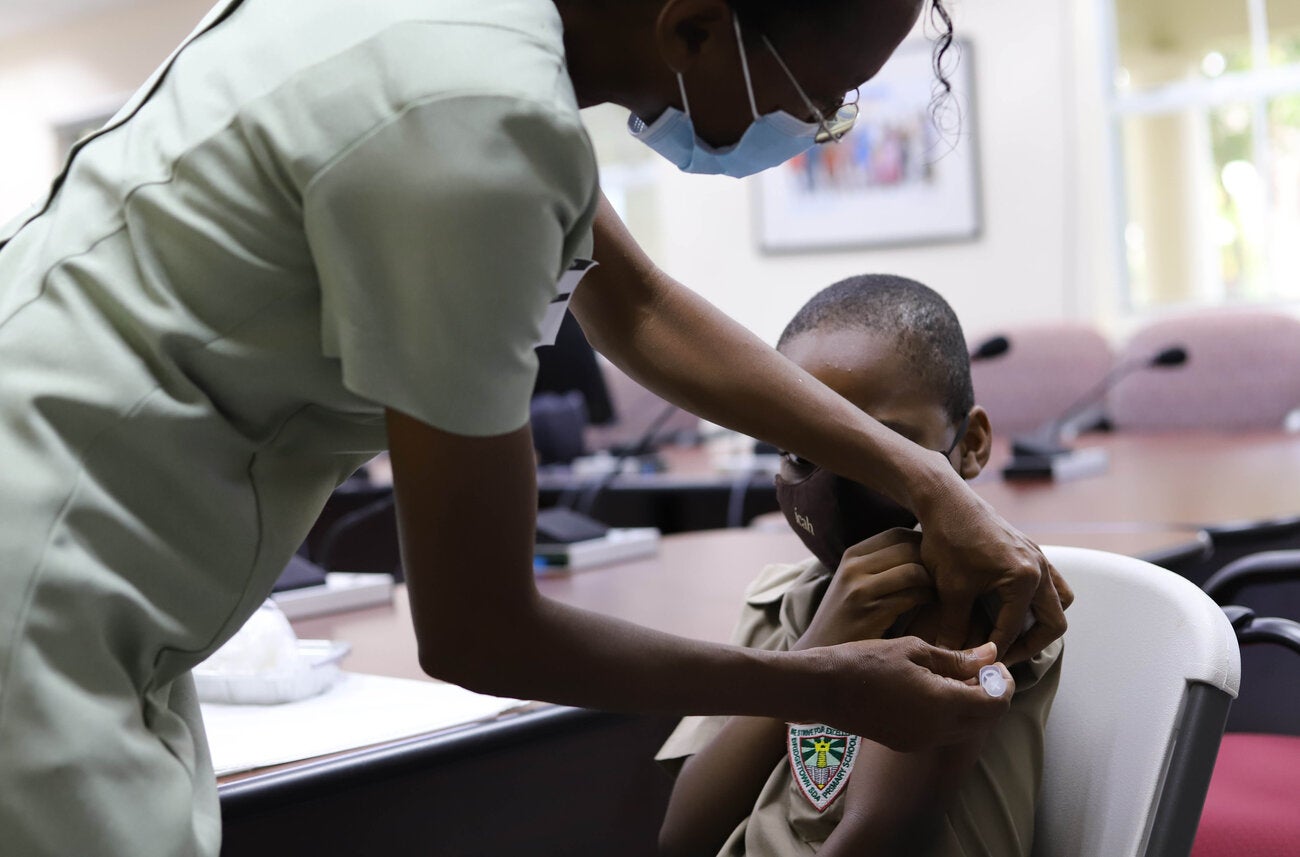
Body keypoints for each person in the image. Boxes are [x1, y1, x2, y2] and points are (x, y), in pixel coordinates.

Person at [0, 1, 1070, 854]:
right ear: (694, 27)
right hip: (38, 595)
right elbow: (478, 630)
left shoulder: (477, 46)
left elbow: (638, 306)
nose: (813, 132)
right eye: (822, 100)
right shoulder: (472, 119)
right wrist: (823, 678)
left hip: (91, 582)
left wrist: (927, 484)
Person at [657, 275, 1064, 857]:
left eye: (881, 446)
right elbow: (682, 836)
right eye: (800, 453)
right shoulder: (776, 602)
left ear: (969, 444)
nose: (834, 484)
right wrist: (815, 655)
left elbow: (880, 838)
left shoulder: (980, 612)